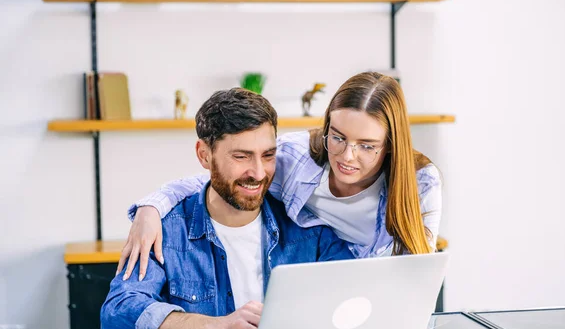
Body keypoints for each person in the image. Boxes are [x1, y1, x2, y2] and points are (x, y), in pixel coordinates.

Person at [118, 71, 442, 281]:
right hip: (324, 280)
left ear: (390, 146)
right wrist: (150, 209)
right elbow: (217, 178)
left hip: (380, 294)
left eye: (367, 146)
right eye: (338, 137)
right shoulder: (297, 156)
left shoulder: (421, 182)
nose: (346, 157)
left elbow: (417, 278)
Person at [100, 88, 354, 329]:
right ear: (204, 155)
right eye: (241, 157)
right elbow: (118, 312)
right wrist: (216, 327)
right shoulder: (166, 232)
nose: (258, 173)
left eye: (268, 155)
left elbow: (354, 302)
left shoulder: (308, 228)